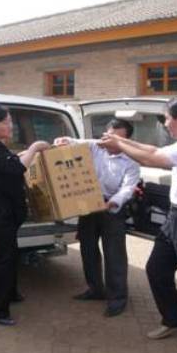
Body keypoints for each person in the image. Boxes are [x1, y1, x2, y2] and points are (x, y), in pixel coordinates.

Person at [99, 96, 177, 350]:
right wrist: (119, 140)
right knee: (156, 269)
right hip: (176, 216)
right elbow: (152, 150)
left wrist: (118, 144)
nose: (165, 124)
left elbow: (151, 158)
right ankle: (173, 318)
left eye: (166, 118)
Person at [54, 119, 140, 317]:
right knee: (88, 249)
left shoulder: (132, 161)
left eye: (115, 138)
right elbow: (74, 142)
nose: (108, 141)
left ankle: (117, 299)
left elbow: (128, 188)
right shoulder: (95, 147)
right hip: (89, 206)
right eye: (107, 136)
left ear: (125, 141)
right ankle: (95, 289)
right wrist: (63, 140)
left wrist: (114, 202)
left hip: (113, 209)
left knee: (114, 255)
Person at [0, 104, 50, 326]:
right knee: (5, 259)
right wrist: (34, 148)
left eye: (10, 121)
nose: (10, 126)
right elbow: (17, 168)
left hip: (7, 212)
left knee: (11, 254)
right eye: (5, 122)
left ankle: (11, 292)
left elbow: (11, 162)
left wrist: (26, 153)